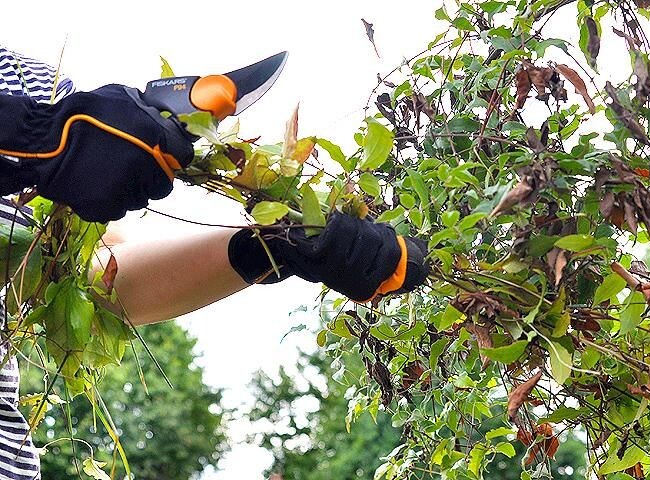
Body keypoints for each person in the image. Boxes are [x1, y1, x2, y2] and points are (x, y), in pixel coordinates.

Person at [0, 45, 428, 479]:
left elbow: (97, 279)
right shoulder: (36, 116)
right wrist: (27, 134)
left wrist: (273, 248)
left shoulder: (27, 81)